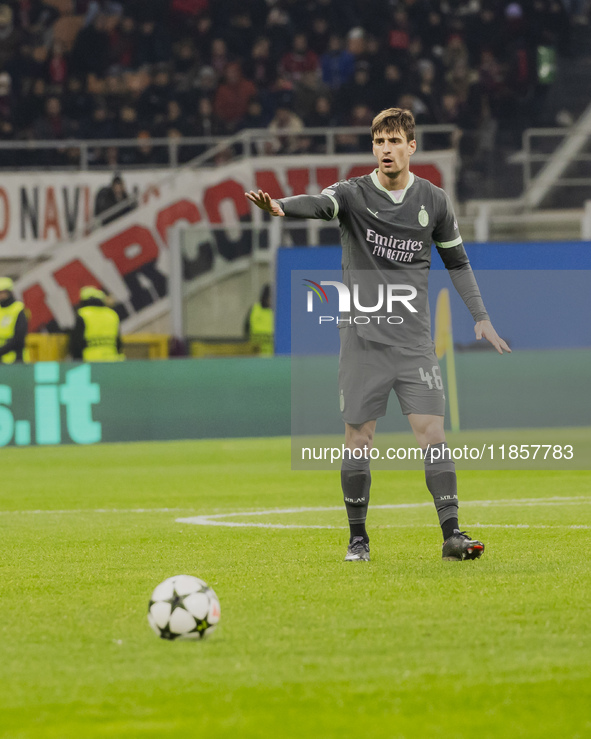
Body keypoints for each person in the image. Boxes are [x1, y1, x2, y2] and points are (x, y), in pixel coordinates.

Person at [246, 107, 511, 563]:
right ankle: (358, 539)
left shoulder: (435, 201)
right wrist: (280, 206)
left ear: (412, 147)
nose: (386, 149)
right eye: (379, 142)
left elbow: (458, 263)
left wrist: (481, 316)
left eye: (394, 141)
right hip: (364, 342)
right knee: (358, 438)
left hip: (413, 344)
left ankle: (451, 535)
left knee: (433, 434)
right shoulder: (352, 193)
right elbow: (322, 204)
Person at [70, 286, 124, 362]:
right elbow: (118, 342)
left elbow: (76, 342)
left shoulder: (82, 314)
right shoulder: (112, 314)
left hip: (90, 362)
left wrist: (77, 361)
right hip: (112, 361)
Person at [0, 277, 28, 364]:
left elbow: (19, 338)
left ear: (9, 292)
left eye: (2, 292)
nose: (1, 296)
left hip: (16, 359)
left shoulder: (18, 309)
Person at [245, 284, 274, 356]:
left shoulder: (280, 312)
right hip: (256, 353)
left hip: (275, 355)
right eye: (270, 297)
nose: (271, 300)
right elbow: (246, 329)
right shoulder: (255, 309)